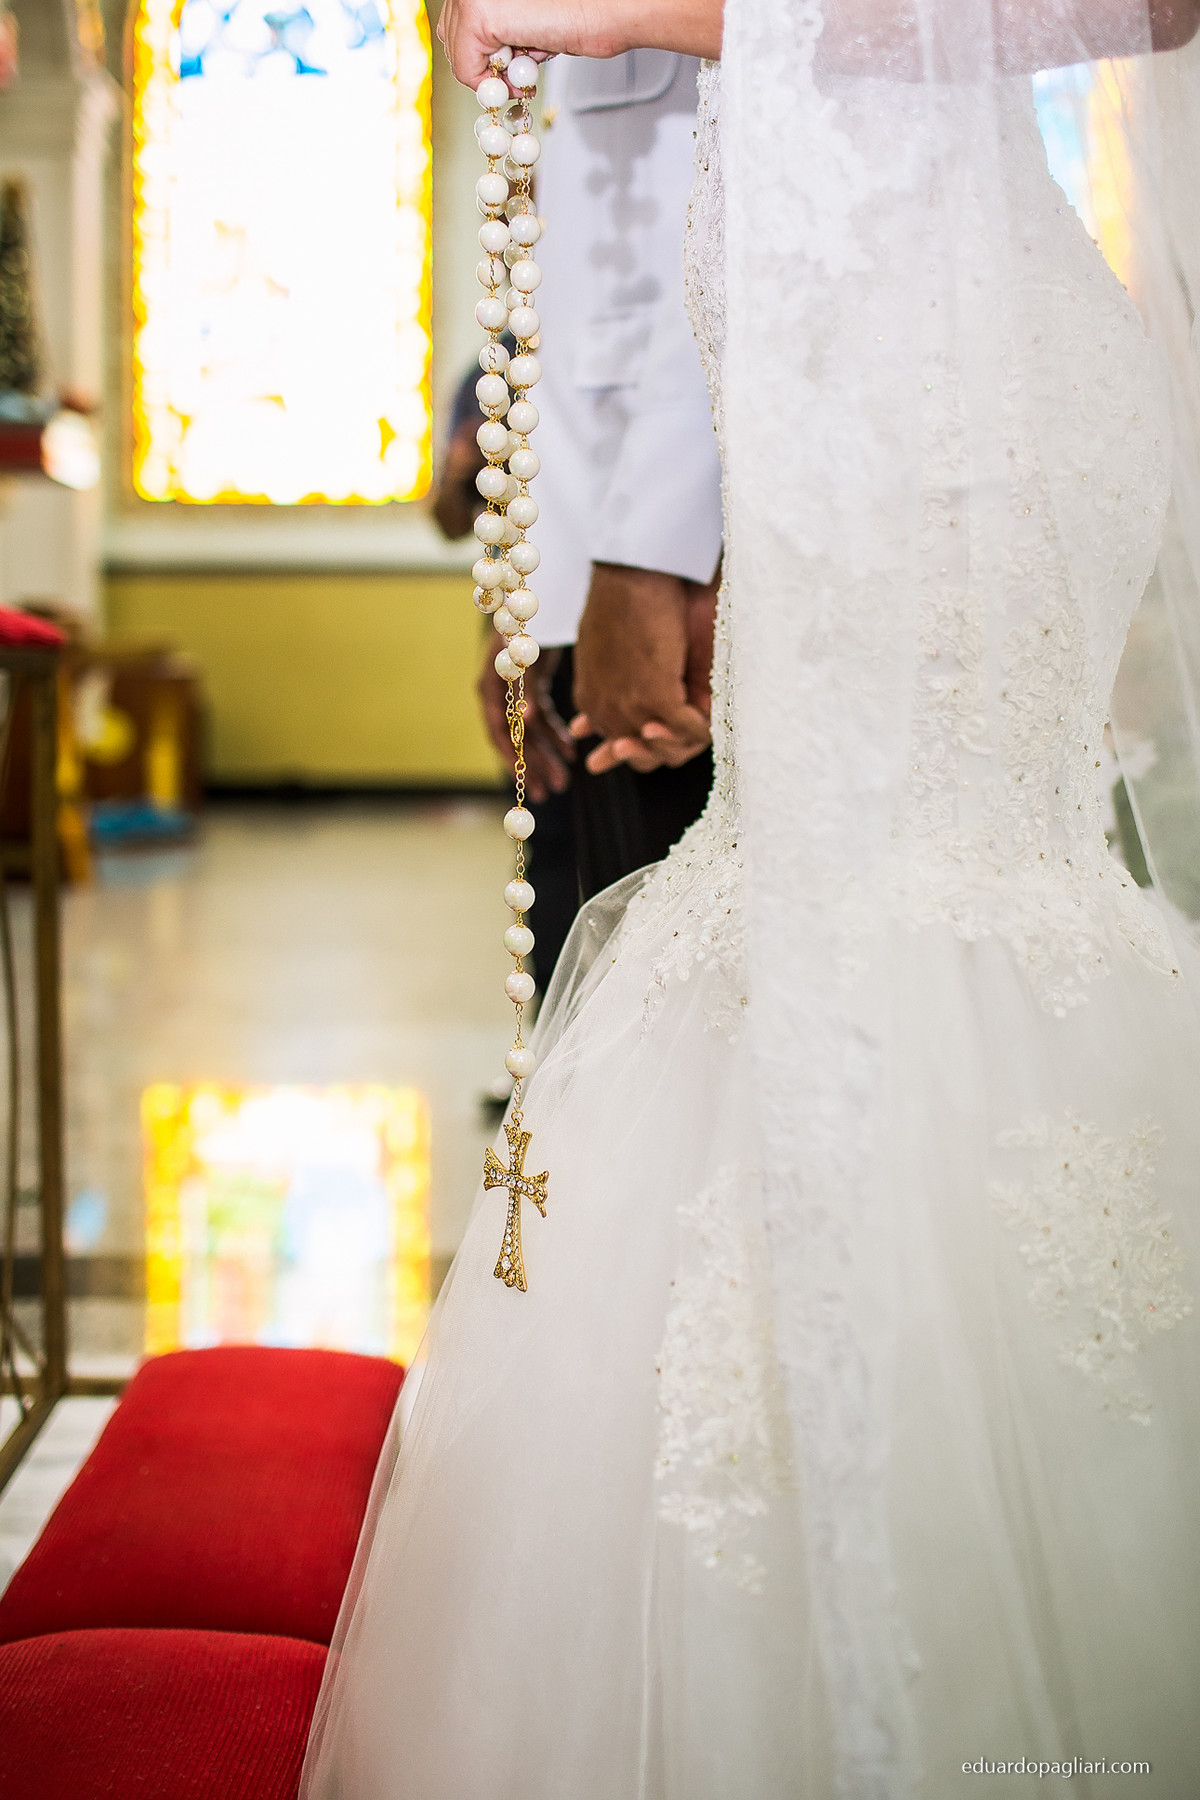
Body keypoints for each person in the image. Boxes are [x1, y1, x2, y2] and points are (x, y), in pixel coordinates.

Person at [303, 2, 1200, 1794]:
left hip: (878, 387)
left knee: (886, 936)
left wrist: (636, 551)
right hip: (849, 347)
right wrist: (552, 567)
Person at [433, 48, 723, 986]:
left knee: (683, 977)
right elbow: (556, 381)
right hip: (571, 605)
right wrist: (523, 615)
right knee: (587, 937)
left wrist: (654, 562)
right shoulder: (555, 120)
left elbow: (694, 307)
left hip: (682, 594)